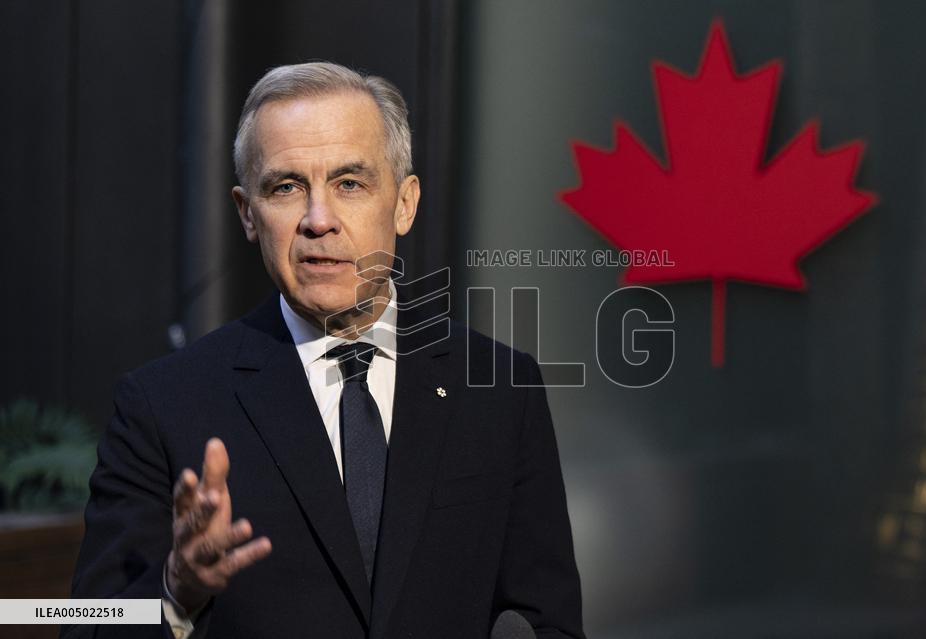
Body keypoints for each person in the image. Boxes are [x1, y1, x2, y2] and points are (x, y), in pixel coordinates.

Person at [61, 62, 585, 639]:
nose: (318, 220)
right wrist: (176, 592)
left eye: (349, 184)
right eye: (286, 188)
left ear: (404, 203)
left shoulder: (500, 386)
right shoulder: (161, 404)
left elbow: (548, 622)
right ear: (248, 214)